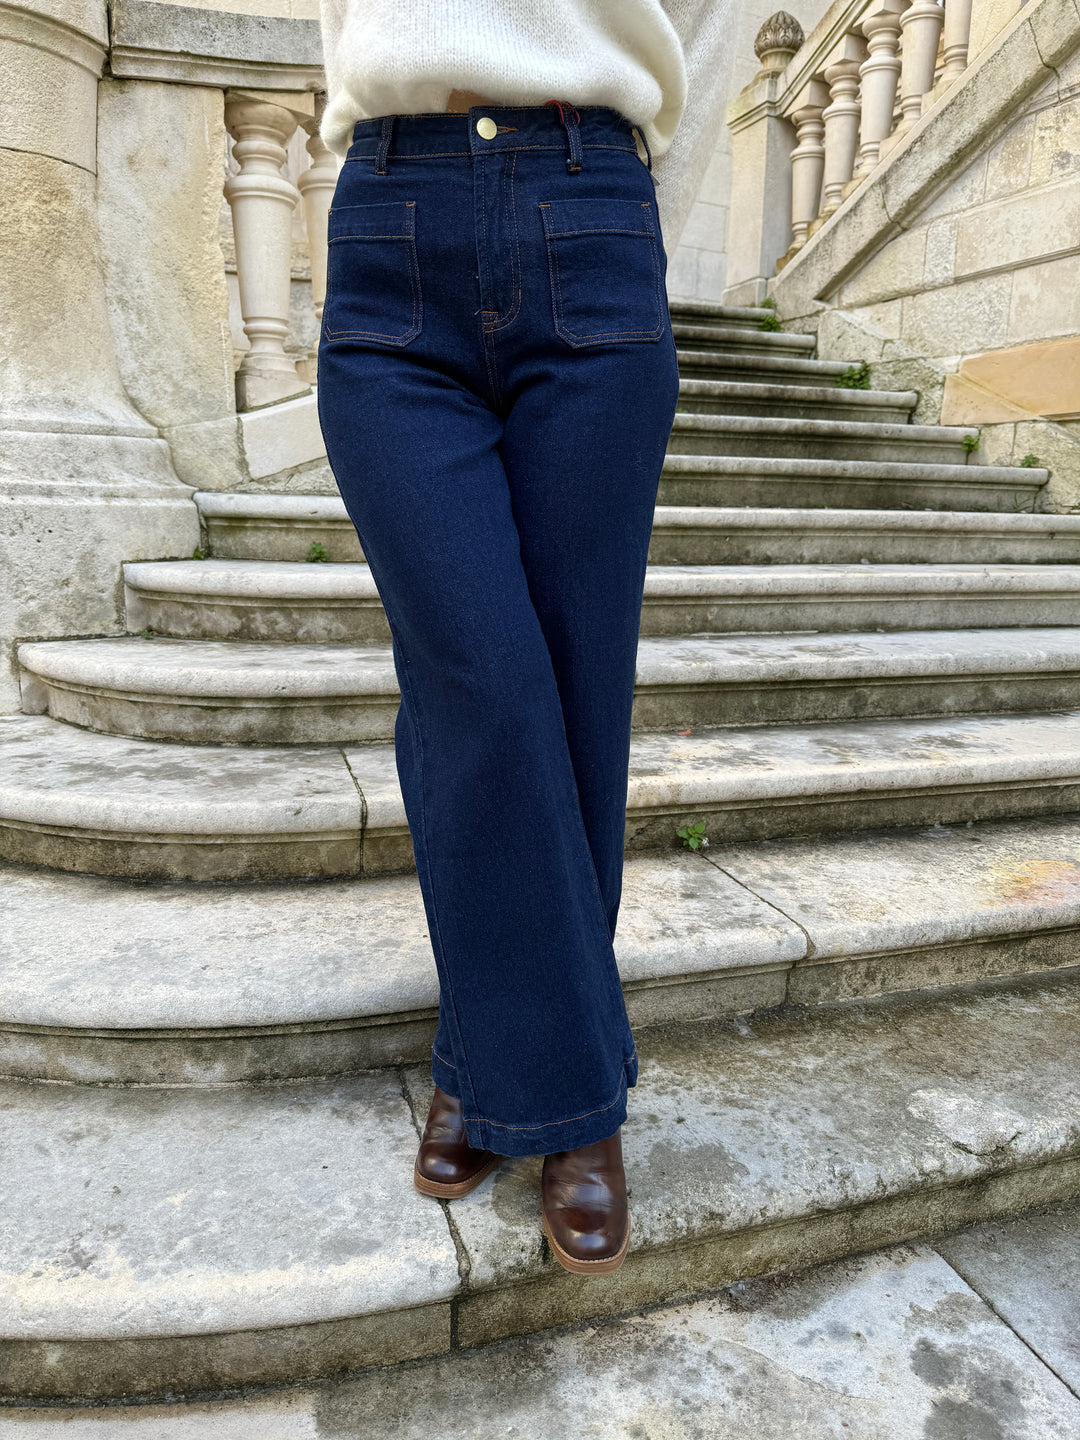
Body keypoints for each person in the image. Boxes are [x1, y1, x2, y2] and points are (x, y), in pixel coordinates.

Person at [316, 0, 735, 1275]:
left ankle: (486, 1058)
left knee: (576, 687)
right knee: (477, 681)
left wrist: (630, 193)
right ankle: (569, 1096)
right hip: (392, 217)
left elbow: (705, 29)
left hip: (591, 207)